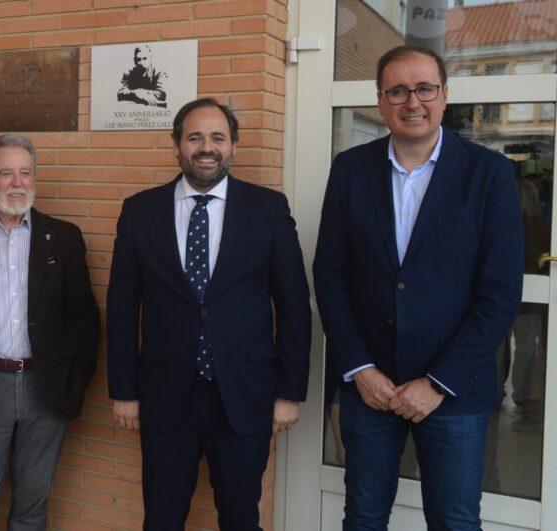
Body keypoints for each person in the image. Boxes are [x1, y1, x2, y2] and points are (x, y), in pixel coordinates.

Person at [313, 45, 523, 530]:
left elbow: (499, 294)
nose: (413, 101)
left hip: (453, 391)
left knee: (453, 521)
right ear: (381, 101)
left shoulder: (487, 174)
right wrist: (359, 369)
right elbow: (330, 274)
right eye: (398, 90)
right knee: (363, 517)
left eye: (425, 88)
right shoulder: (350, 169)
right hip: (372, 389)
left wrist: (436, 383)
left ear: (445, 96)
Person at [107, 98, 311, 530]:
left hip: (244, 396)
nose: (206, 147)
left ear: (233, 145)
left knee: (240, 518)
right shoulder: (140, 210)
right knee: (161, 519)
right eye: (195, 137)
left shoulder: (268, 209)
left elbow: (294, 306)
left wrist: (289, 392)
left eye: (218, 137)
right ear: (176, 145)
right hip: (165, 396)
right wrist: (123, 389)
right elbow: (123, 306)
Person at [0, 134, 100, 530]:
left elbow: (84, 315)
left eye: (26, 172)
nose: (17, 182)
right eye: (6, 173)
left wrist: (75, 378)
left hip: (45, 387)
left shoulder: (64, 236)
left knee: (32, 504)